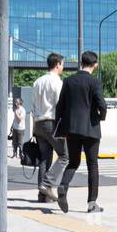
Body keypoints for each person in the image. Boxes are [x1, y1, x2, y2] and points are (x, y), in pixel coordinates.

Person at [55, 50, 108, 214]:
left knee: (73, 162)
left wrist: (60, 126)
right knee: (92, 165)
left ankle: (63, 186)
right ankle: (92, 204)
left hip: (72, 129)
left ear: (81, 63)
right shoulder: (95, 82)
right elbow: (102, 104)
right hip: (91, 128)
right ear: (95, 65)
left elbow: (60, 106)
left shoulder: (69, 81)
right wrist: (101, 117)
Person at [31, 53, 69, 203]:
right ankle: (47, 184)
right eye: (62, 64)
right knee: (65, 155)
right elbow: (60, 104)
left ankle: (43, 195)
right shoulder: (57, 82)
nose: (63, 67)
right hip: (52, 123)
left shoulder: (37, 82)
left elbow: (33, 105)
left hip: (38, 123)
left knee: (44, 158)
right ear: (58, 64)